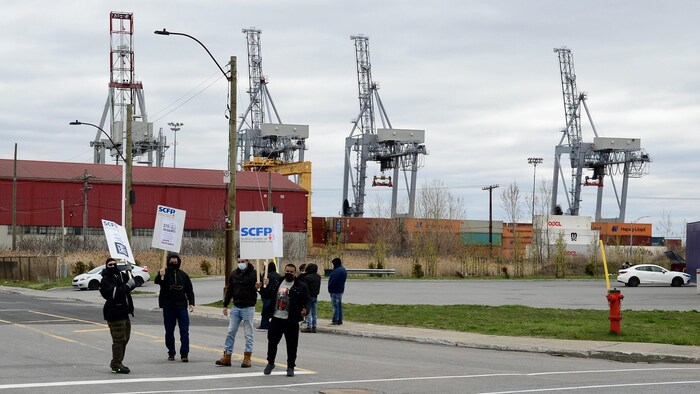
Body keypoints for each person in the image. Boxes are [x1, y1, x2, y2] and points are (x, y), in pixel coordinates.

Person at [263, 263, 310, 377]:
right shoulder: (277, 283)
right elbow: (267, 295)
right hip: (276, 318)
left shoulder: (301, 286)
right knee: (272, 342)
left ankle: (290, 367)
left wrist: (305, 310)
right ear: (284, 271)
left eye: (291, 272)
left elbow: (307, 301)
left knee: (292, 345)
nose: (289, 273)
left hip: (291, 320)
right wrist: (261, 287)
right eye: (287, 271)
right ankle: (270, 363)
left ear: (295, 273)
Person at [216, 257, 260, 368]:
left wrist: (261, 286)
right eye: (239, 262)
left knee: (248, 333)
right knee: (230, 331)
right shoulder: (234, 274)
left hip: (248, 307)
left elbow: (262, 289)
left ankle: (247, 357)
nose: (241, 264)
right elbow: (230, 289)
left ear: (248, 261)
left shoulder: (255, 274)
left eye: (243, 261)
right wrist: (225, 304)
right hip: (236, 307)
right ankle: (227, 355)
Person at [154, 252, 195, 362]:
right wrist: (160, 274)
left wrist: (191, 303)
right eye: (171, 261)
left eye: (175, 261)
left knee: (184, 331)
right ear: (168, 261)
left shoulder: (184, 275)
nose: (174, 263)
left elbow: (189, 291)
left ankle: (184, 353)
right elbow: (157, 282)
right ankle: (171, 352)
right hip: (168, 307)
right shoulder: (164, 273)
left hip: (181, 307)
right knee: (169, 331)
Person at [99, 257, 136, 374]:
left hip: (124, 312)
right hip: (114, 313)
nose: (112, 266)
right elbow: (114, 293)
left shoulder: (119, 275)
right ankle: (116, 364)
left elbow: (132, 284)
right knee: (119, 339)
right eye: (110, 265)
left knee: (126, 338)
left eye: (114, 264)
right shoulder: (105, 280)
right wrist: (128, 286)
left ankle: (118, 361)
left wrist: (129, 272)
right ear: (106, 266)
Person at [258, 260, 282, 330]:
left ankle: (264, 324)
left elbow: (262, 286)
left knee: (265, 311)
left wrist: (261, 292)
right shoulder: (279, 276)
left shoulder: (266, 276)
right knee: (275, 311)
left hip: (267, 295)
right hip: (276, 296)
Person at [299, 263, 321, 333]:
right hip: (315, 295)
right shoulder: (318, 277)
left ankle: (309, 326)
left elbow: (305, 288)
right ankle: (314, 326)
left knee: (308, 311)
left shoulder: (307, 277)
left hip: (309, 296)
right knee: (314, 312)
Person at [327, 257, 347, 326]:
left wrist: (329, 287)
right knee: (339, 305)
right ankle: (339, 320)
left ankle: (335, 320)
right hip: (340, 290)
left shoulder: (337, 271)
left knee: (335, 306)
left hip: (335, 290)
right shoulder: (343, 270)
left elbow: (333, 281)